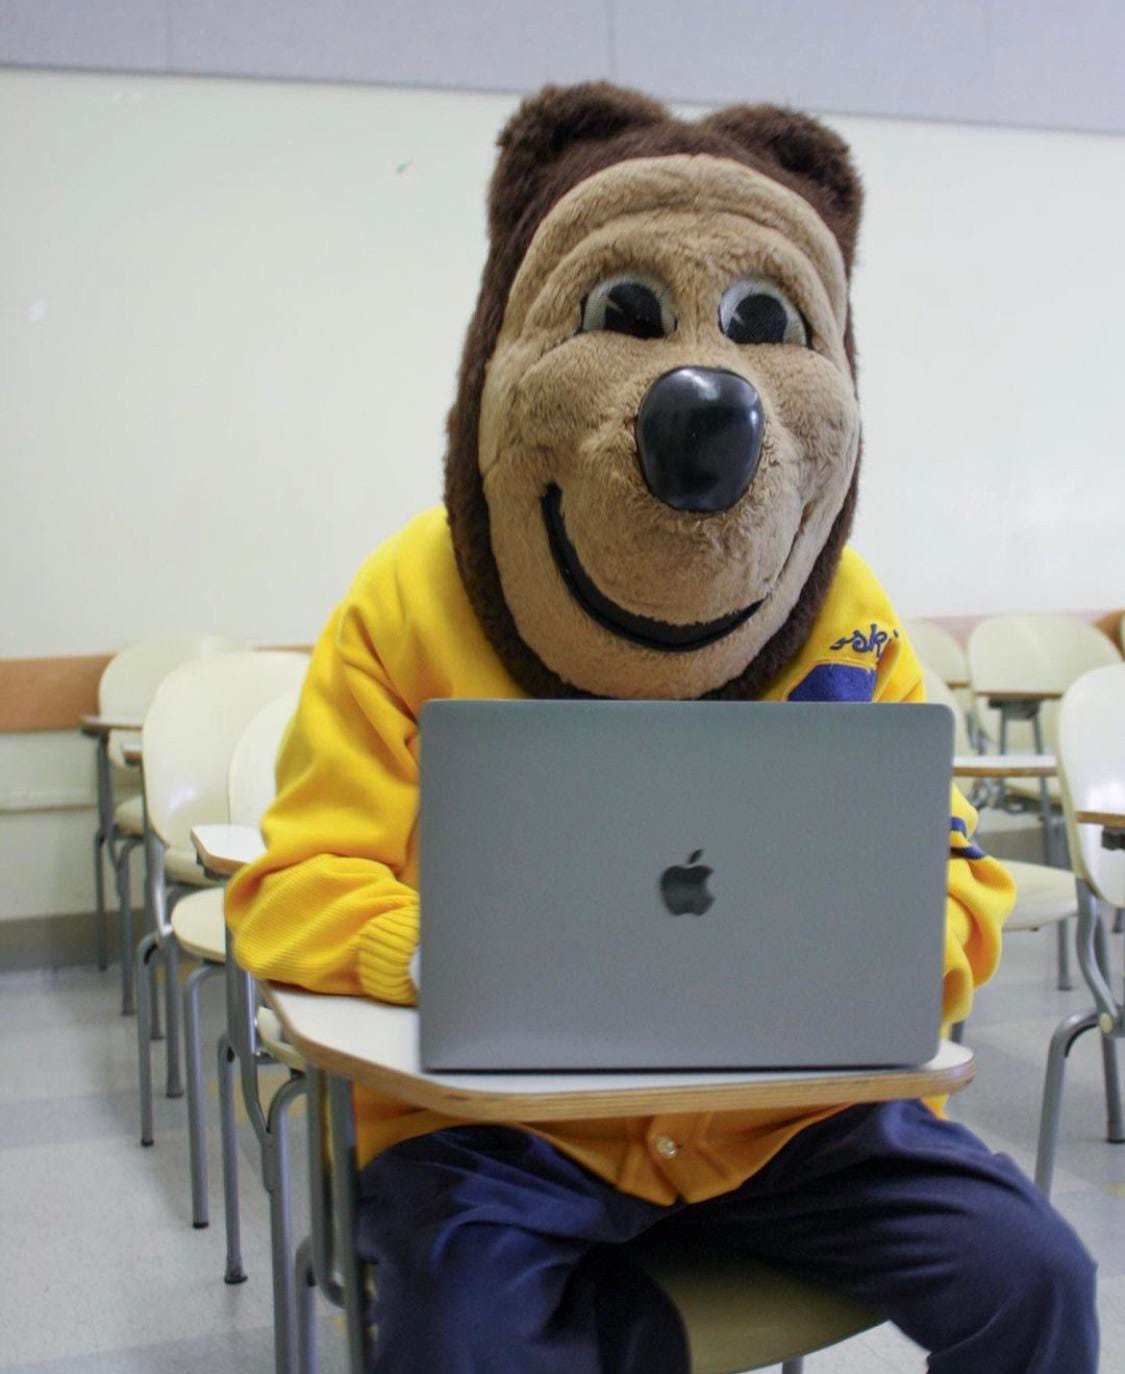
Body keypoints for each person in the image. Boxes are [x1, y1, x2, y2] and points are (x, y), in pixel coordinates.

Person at [227, 82, 1097, 1371]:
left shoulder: (848, 613)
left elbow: (954, 870)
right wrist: (445, 954)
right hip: (501, 1127)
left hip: (786, 1120)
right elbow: (290, 888)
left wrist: (887, 959)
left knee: (1037, 1276)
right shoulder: (408, 596)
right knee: (469, 1337)